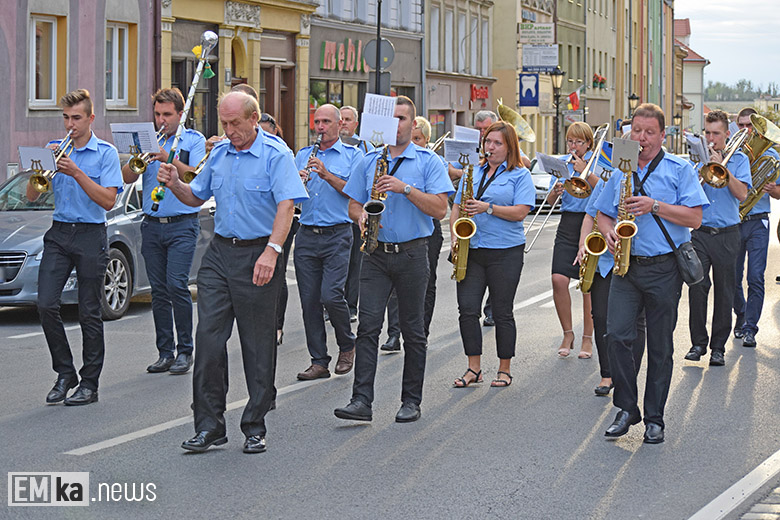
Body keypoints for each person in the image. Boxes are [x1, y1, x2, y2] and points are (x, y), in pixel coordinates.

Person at [158, 91, 307, 454]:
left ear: (254, 119)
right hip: (221, 253)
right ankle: (209, 425)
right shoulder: (220, 153)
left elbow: (287, 205)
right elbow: (197, 195)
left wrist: (272, 252)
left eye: (235, 123)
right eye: (224, 123)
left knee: (257, 345)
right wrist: (175, 183)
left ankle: (254, 424)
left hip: (259, 251)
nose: (229, 130)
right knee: (208, 340)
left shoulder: (276, 154)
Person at [595, 103, 708, 444]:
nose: (641, 138)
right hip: (626, 267)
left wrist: (655, 205)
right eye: (636, 131)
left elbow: (695, 219)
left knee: (660, 346)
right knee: (616, 336)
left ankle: (655, 418)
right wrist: (609, 232)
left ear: (662, 135)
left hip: (664, 268)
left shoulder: (679, 169)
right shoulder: (621, 167)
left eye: (648, 132)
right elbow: (602, 212)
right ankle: (627, 408)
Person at [334, 96, 453, 423]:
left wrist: (405, 189)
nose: (397, 124)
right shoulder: (370, 160)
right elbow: (353, 204)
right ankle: (361, 400)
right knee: (368, 328)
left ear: (413, 124)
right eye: (392, 119)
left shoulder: (428, 162)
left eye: (403, 119)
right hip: (375, 254)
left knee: (413, 331)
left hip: (413, 253)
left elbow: (440, 209)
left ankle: (411, 401)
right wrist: (360, 217)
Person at [28, 89, 121, 406]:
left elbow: (108, 200)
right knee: (46, 304)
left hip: (91, 233)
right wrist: (38, 169)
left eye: (76, 118)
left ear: (91, 118)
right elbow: (31, 195)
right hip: (59, 231)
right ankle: (65, 372)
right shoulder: (55, 150)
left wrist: (77, 172)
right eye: (66, 118)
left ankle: (90, 383)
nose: (70, 125)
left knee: (89, 311)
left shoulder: (105, 153)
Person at [121, 88, 206, 375]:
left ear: (180, 114)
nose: (161, 120)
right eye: (157, 114)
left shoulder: (194, 140)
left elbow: (194, 175)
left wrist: (165, 157)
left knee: (176, 285)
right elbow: (127, 176)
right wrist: (140, 158)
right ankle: (165, 352)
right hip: (152, 224)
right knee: (158, 291)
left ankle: (185, 351)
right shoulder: (147, 140)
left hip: (183, 223)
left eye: (167, 114)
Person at [450, 121, 535, 388]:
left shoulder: (520, 175)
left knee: (502, 312)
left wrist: (489, 208)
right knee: (467, 310)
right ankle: (473, 368)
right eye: (488, 142)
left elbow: (521, 212)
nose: (490, 147)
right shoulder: (473, 172)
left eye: (497, 143)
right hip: (473, 249)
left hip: (506, 251)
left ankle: (504, 368)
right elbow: (457, 206)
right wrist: (454, 237)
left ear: (510, 147)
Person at [293, 104, 359, 380]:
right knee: (309, 301)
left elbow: (356, 192)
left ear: (338, 125)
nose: (320, 127)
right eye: (316, 122)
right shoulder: (302, 155)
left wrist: (326, 174)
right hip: (307, 233)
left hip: (338, 233)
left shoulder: (353, 156)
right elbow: (292, 199)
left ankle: (347, 345)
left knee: (331, 294)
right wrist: (297, 184)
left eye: (325, 122)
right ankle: (318, 360)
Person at [683, 110, 750, 366]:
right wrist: (703, 169)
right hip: (700, 233)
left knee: (725, 292)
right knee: (697, 287)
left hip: (728, 234)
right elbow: (687, 196)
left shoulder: (740, 159)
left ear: (727, 135)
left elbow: (742, 194)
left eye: (716, 134)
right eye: (707, 133)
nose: (711, 138)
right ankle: (698, 343)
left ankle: (718, 347)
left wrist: (723, 168)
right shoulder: (695, 161)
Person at [575, 178, 646, 396]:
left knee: (636, 321)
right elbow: (591, 215)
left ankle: (629, 375)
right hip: (605, 260)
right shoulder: (608, 181)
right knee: (601, 316)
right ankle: (607, 374)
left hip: (637, 257)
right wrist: (582, 245)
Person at [381, 116, 445, 352]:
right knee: (396, 285)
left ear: (427, 140)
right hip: (399, 231)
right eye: (412, 138)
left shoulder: (432, 161)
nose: (414, 143)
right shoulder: (387, 158)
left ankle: (421, 330)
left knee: (426, 283)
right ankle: (394, 333)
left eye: (418, 139)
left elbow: (440, 206)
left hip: (426, 229)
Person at [547, 122, 598, 358]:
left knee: (587, 286)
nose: (574, 146)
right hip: (567, 224)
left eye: (578, 141)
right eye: (570, 141)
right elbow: (549, 202)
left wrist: (586, 170)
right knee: (558, 278)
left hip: (590, 223)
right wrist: (555, 192)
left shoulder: (597, 163)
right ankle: (568, 333)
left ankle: (588, 338)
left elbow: (607, 192)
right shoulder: (564, 164)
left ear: (588, 143)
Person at [733, 107, 780, 348]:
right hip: (734, 222)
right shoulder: (732, 154)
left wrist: (775, 191)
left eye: (749, 126)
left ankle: (750, 328)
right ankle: (741, 315)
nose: (745, 130)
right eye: (741, 125)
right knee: (732, 278)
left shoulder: (772, 155)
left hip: (759, 221)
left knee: (755, 277)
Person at [340, 105, 373, 324]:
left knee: (354, 263)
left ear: (356, 124)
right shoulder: (324, 145)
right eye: (340, 119)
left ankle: (351, 305)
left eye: (347, 119)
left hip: (354, 213)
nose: (343, 122)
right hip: (334, 216)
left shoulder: (365, 146)